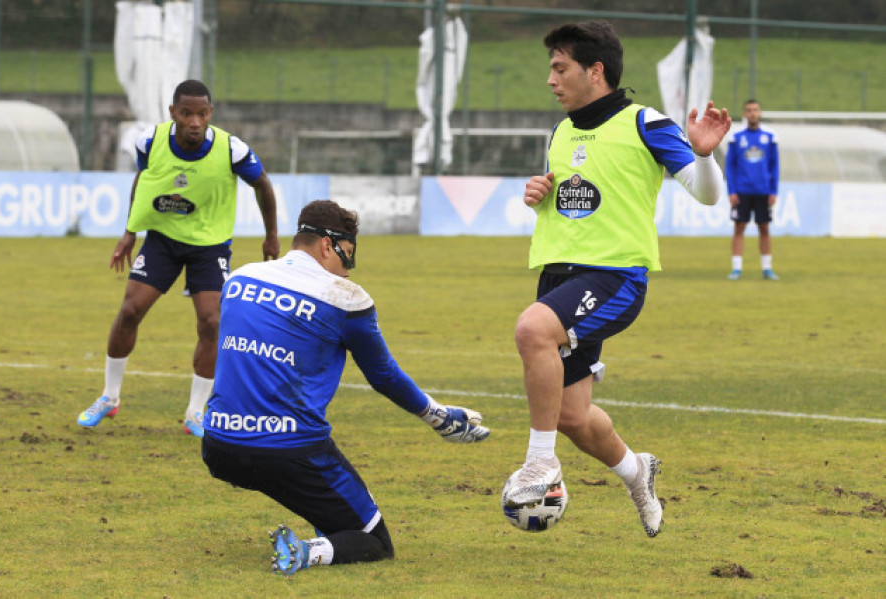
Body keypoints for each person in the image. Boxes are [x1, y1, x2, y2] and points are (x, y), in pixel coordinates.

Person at [501, 21, 731, 538]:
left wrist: (703, 153)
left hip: (614, 277)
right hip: (560, 276)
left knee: (532, 331)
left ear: (595, 70)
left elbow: (708, 195)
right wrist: (541, 192)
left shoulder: (645, 122)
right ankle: (637, 474)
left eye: (560, 68)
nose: (551, 80)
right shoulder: (561, 130)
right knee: (572, 416)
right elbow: (575, 196)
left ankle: (540, 465)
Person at [200, 200, 490, 576]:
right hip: (287, 452)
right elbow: (383, 376)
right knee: (374, 541)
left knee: (321, 501)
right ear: (326, 245)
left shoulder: (240, 278)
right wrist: (437, 416)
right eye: (347, 257)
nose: (348, 271)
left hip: (218, 445)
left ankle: (327, 522)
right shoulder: (344, 298)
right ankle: (305, 552)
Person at [77, 79, 280, 437]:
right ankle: (109, 398)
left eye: (201, 113)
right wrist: (129, 231)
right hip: (163, 241)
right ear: (173, 113)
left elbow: (262, 183)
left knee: (212, 322)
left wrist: (272, 235)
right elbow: (146, 179)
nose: (194, 121)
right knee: (129, 311)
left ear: (210, 113)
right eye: (186, 113)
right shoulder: (150, 141)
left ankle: (195, 413)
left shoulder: (230, 149)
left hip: (210, 246)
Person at [726, 99, 780, 280]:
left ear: (760, 113)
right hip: (742, 190)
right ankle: (736, 268)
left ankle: (767, 268)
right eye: (749, 110)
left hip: (763, 190)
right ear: (744, 114)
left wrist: (774, 191)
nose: (752, 113)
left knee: (764, 228)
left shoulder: (770, 137)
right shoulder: (736, 137)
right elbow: (730, 167)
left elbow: (774, 166)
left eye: (755, 110)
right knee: (739, 227)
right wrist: (731, 191)